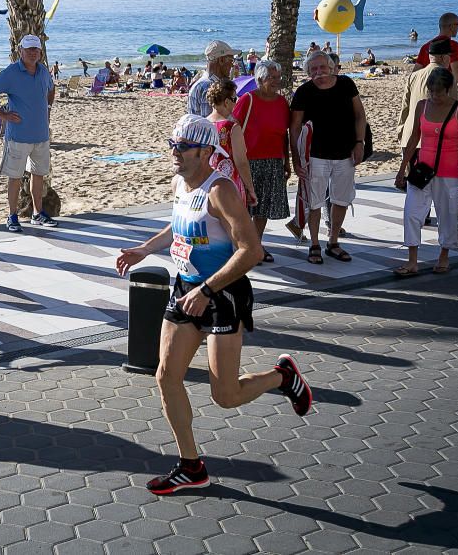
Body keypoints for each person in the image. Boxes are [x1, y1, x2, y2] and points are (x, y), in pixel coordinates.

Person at [116, 114, 312, 495]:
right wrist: (145, 249)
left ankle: (283, 377)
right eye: (172, 144)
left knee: (225, 396)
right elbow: (179, 224)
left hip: (221, 296)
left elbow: (251, 250)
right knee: (165, 376)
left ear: (207, 151)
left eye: (184, 147)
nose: (175, 152)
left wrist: (206, 290)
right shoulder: (180, 182)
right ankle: (191, 465)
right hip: (184, 289)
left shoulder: (220, 190)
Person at [290, 50, 367, 264]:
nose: (319, 72)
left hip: (345, 153)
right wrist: (296, 159)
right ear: (307, 71)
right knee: (314, 202)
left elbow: (360, 115)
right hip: (315, 156)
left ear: (331, 67)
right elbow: (294, 127)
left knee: (341, 199)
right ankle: (314, 244)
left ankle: (333, 242)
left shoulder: (346, 84)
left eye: (322, 67)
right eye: (313, 69)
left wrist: (360, 143)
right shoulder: (304, 91)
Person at [394, 68, 458, 277]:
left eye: (439, 92)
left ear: (449, 89)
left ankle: (444, 256)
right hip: (422, 170)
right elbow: (412, 140)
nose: (435, 96)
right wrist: (402, 169)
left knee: (447, 215)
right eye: (431, 91)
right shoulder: (422, 106)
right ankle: (412, 261)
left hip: (449, 172)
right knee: (412, 212)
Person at [0, 34, 58, 232]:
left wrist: (48, 108)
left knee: (38, 175)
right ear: (20, 51)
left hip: (41, 135)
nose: (33, 53)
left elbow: (51, 89)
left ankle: (37, 214)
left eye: (36, 50)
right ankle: (12, 215)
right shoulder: (12, 72)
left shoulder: (42, 71)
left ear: (41, 52)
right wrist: (1, 114)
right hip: (18, 136)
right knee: (14, 177)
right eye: (29, 49)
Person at [234, 60, 291, 262]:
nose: (277, 81)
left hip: (274, 161)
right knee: (244, 208)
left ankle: (256, 246)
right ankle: (243, 247)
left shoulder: (282, 102)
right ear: (259, 79)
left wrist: (286, 161)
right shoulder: (247, 100)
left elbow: (284, 134)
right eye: (272, 78)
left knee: (263, 207)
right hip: (248, 162)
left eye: (278, 77)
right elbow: (232, 129)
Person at [397, 37, 458, 148]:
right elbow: (454, 109)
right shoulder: (447, 77)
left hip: (410, 136)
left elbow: (405, 107)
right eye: (449, 56)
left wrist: (400, 130)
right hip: (432, 139)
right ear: (443, 57)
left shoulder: (414, 76)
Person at [204, 79, 256, 207]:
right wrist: (250, 188)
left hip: (206, 183)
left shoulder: (202, 124)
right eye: (234, 99)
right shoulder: (231, 127)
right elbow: (241, 162)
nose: (235, 103)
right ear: (226, 102)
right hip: (229, 183)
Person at [413, 12, 458, 97]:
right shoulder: (453, 45)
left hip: (428, 93)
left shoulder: (425, 47)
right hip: (444, 94)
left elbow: (415, 73)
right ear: (451, 26)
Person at [187, 40, 238, 117]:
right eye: (231, 60)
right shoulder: (209, 86)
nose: (232, 65)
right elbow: (212, 124)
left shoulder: (204, 82)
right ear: (221, 60)